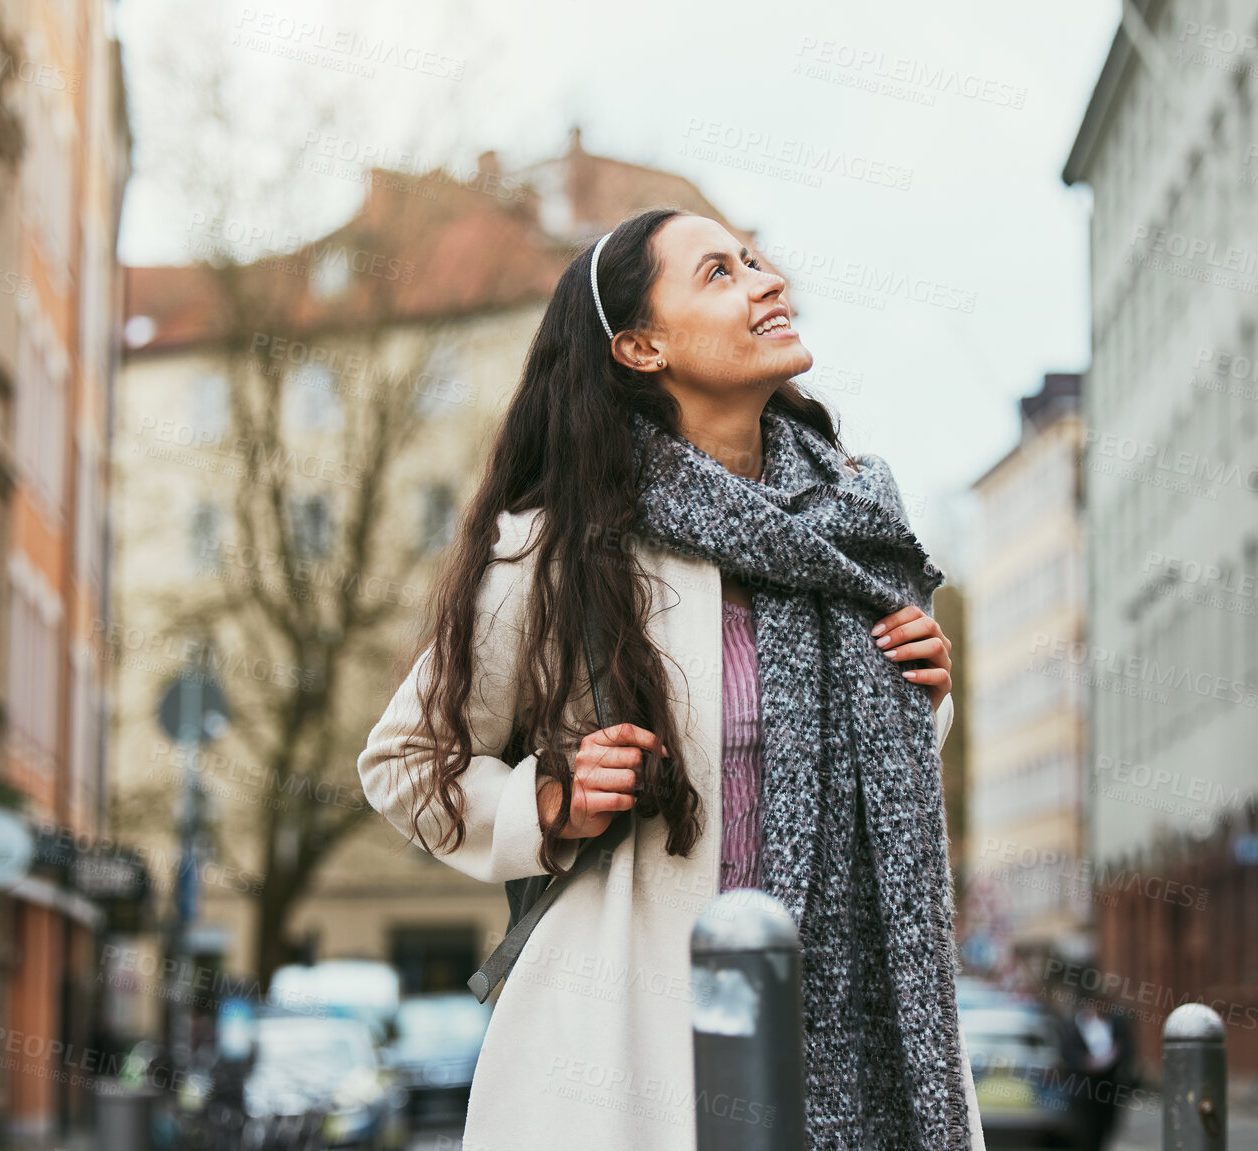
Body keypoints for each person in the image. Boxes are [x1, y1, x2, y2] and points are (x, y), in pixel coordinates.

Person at [358, 208, 985, 1150]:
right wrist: (549, 802)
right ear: (642, 345)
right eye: (721, 273)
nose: (767, 282)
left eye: (758, 262)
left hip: (851, 1032)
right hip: (626, 1047)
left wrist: (924, 701)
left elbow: (858, 778)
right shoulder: (557, 548)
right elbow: (406, 762)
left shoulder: (859, 526)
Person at [1060, 992, 1136, 1151]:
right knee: (1086, 1131)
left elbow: (1127, 1050)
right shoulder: (1075, 1025)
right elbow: (1068, 1053)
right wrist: (1085, 1063)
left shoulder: (1116, 1023)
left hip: (1109, 1087)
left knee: (1106, 1128)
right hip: (1084, 1088)